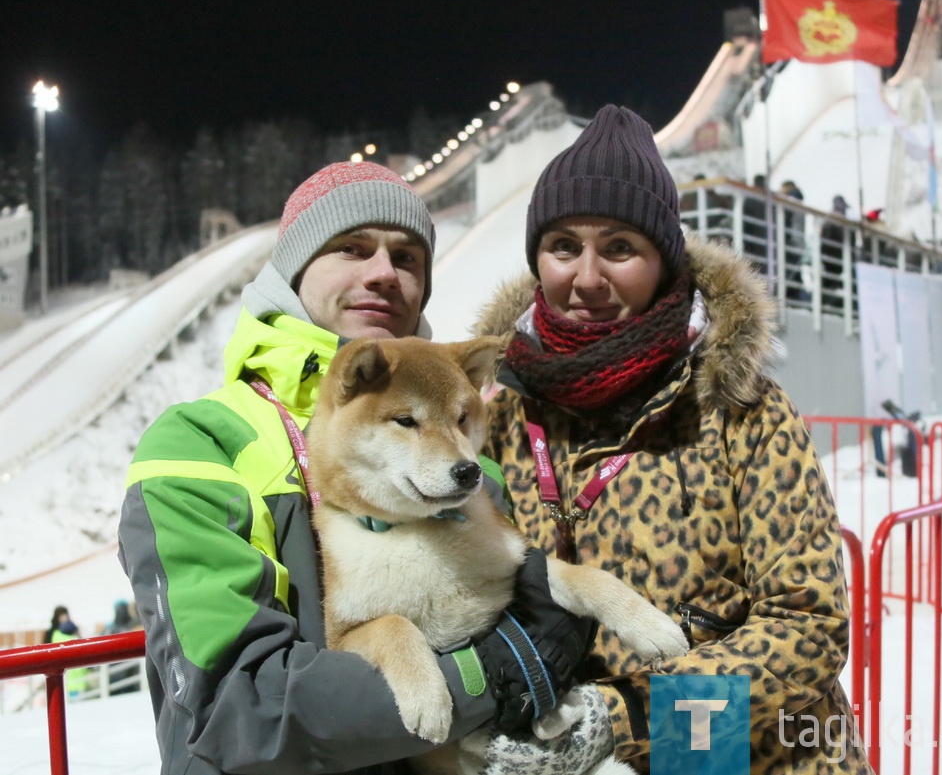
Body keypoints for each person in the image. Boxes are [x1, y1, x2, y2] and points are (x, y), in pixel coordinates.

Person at [118, 161, 595, 775]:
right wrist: (491, 675)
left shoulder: (457, 461)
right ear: (295, 267)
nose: (382, 274)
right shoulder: (200, 445)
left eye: (406, 258)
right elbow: (240, 710)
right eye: (351, 248)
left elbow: (531, 616)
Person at [474, 105, 872, 773]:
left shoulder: (739, 410)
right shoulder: (505, 420)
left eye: (620, 247)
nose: (588, 277)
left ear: (663, 261)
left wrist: (629, 720)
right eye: (564, 245)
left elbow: (809, 625)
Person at [43, 605, 90, 697]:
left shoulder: (72, 629)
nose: (64, 618)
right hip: (57, 668)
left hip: (75, 673)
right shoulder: (51, 633)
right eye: (61, 615)